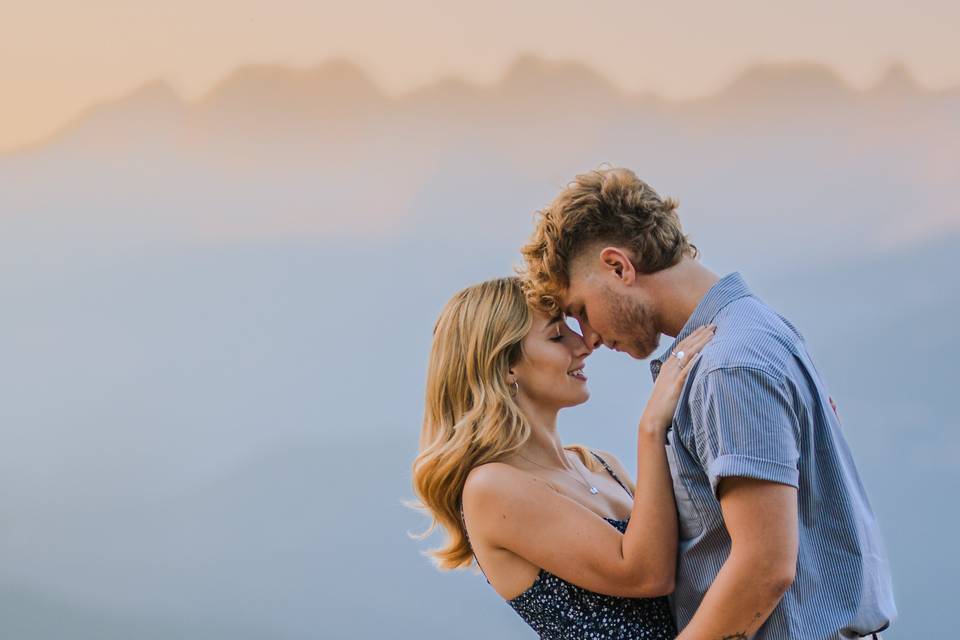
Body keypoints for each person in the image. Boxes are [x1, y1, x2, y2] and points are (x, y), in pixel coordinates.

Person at [519, 166, 897, 639]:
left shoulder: (729, 365)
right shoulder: (758, 329)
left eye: (580, 311)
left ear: (619, 267)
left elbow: (764, 567)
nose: (589, 338)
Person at [411, 276, 715, 638]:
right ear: (507, 366)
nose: (584, 344)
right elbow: (647, 574)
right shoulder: (491, 487)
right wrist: (651, 428)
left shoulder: (601, 466)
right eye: (557, 336)